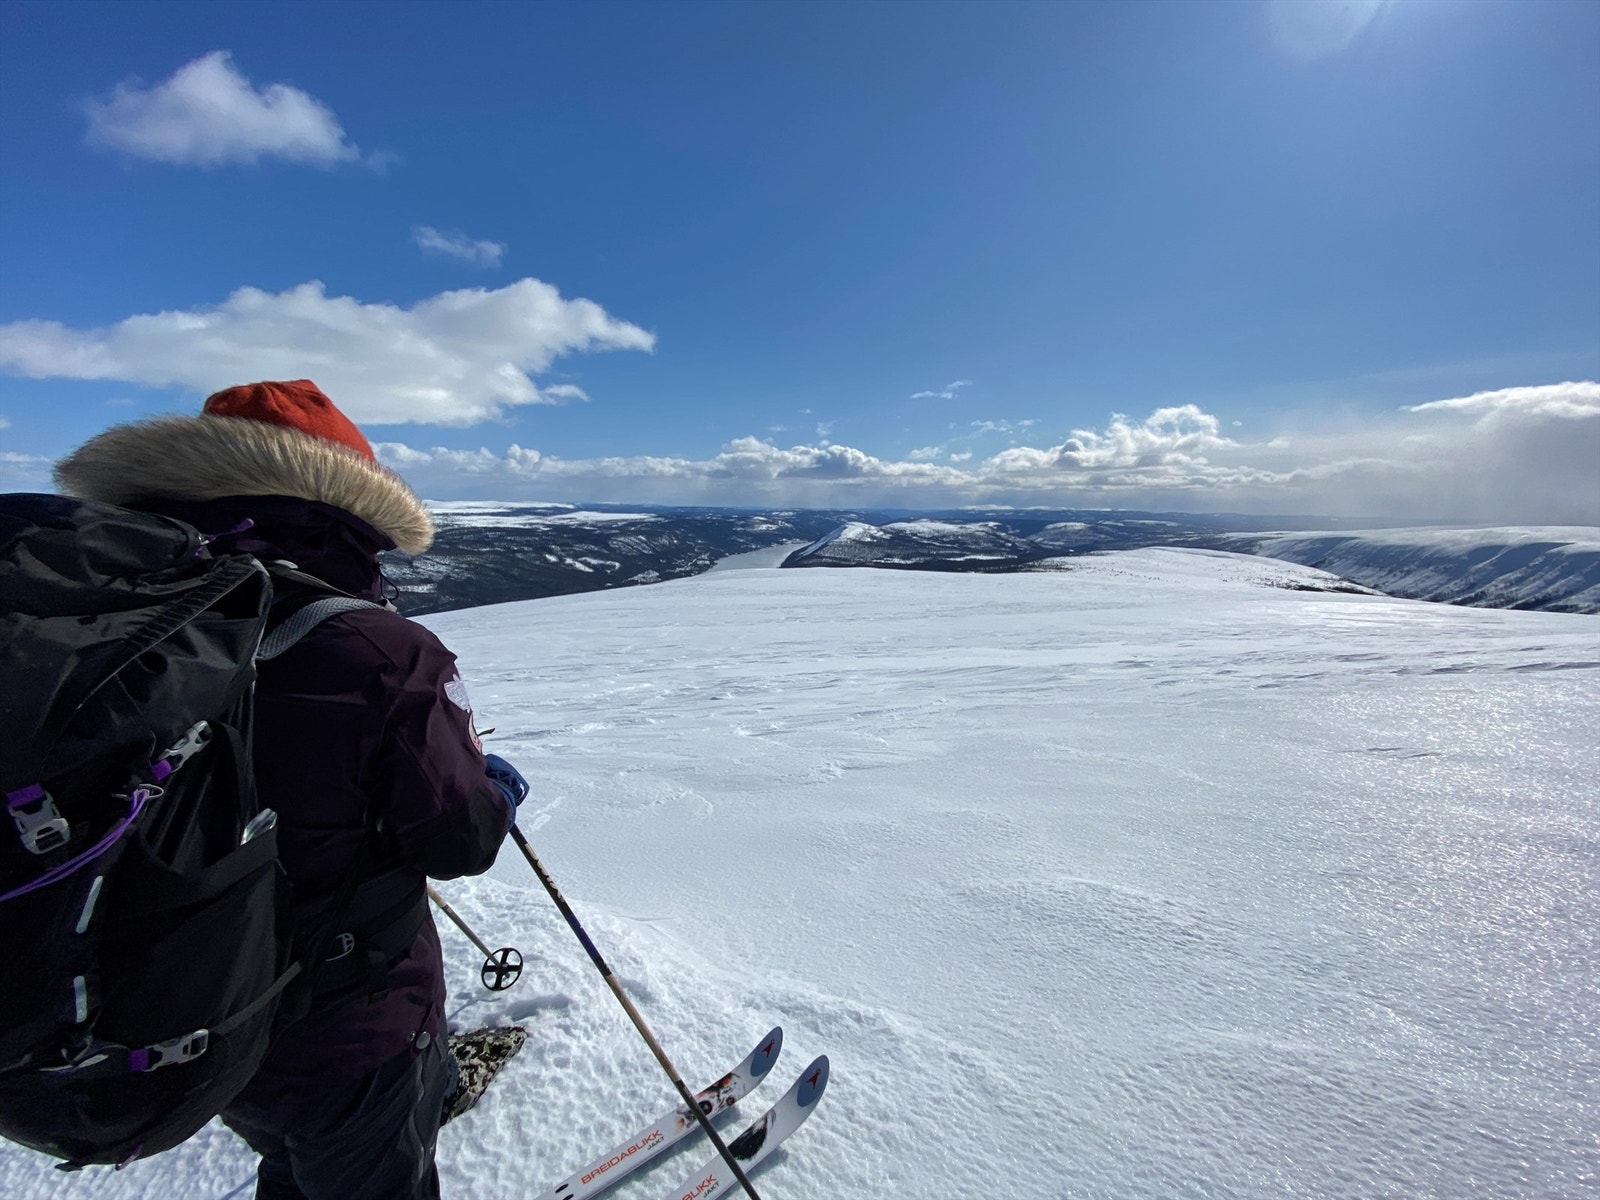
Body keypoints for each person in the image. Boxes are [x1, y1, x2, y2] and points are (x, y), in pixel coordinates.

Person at [52, 379, 529, 1200]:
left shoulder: (108, 623)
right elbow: (461, 840)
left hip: (177, 1006)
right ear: (350, 505)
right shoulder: (382, 651)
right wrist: (495, 786)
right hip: (349, 1022)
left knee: (289, 1144)